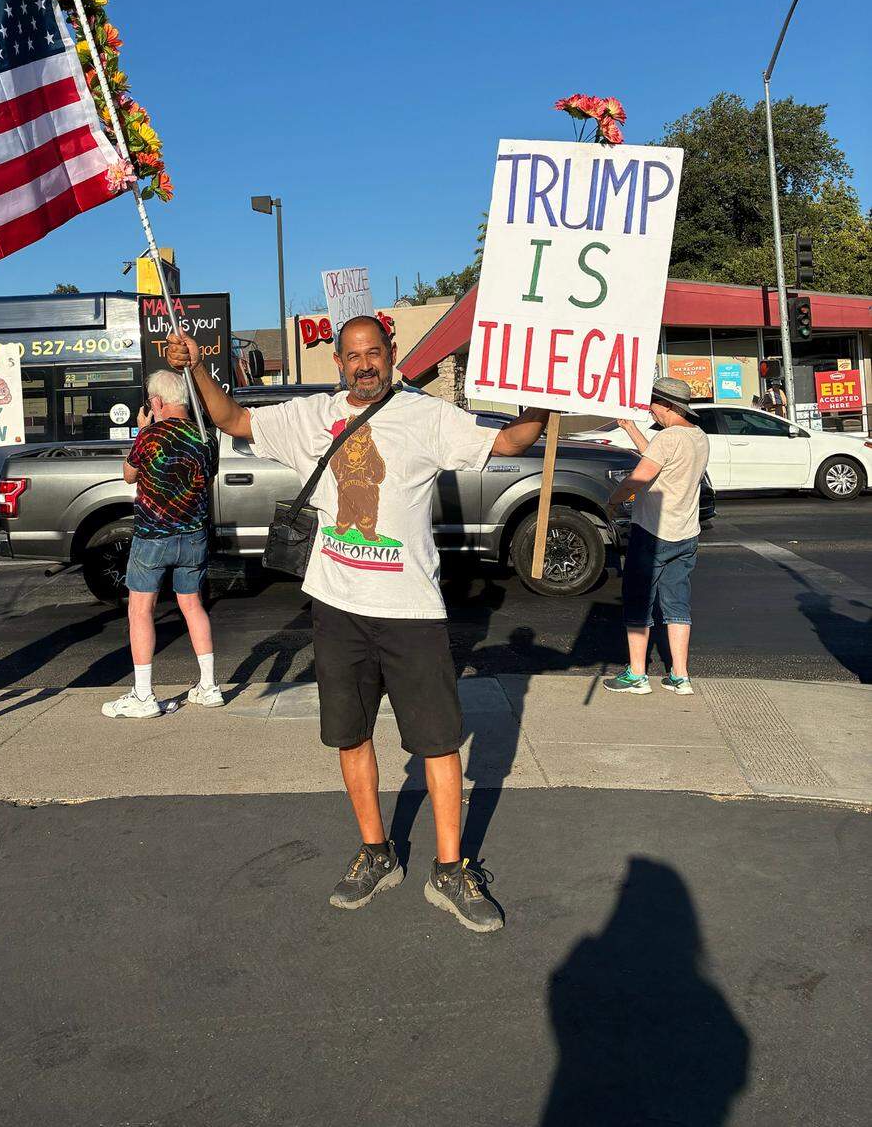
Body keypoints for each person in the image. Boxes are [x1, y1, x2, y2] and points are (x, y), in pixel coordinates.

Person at [166, 316, 550, 933]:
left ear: (391, 354)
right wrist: (198, 368)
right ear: (338, 361)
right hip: (338, 608)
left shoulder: (425, 416)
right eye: (353, 355)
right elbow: (235, 420)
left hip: (411, 613)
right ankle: (377, 852)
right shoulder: (308, 415)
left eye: (375, 353)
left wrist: (545, 399)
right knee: (350, 734)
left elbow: (507, 444)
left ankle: (449, 868)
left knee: (439, 742)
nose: (364, 364)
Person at [102, 369, 223, 720]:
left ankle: (143, 695)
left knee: (140, 609)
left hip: (154, 535)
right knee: (192, 604)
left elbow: (129, 474)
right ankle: (209, 686)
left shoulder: (151, 435)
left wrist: (143, 430)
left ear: (156, 402)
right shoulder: (205, 437)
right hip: (194, 534)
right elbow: (207, 475)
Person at [603, 376, 710, 697]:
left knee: (638, 600)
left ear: (667, 405)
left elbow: (639, 477)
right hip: (686, 533)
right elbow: (661, 458)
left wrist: (612, 501)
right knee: (677, 603)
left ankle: (637, 674)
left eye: (652, 403)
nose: (650, 410)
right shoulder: (699, 437)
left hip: (653, 533)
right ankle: (680, 676)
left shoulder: (668, 438)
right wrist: (630, 429)